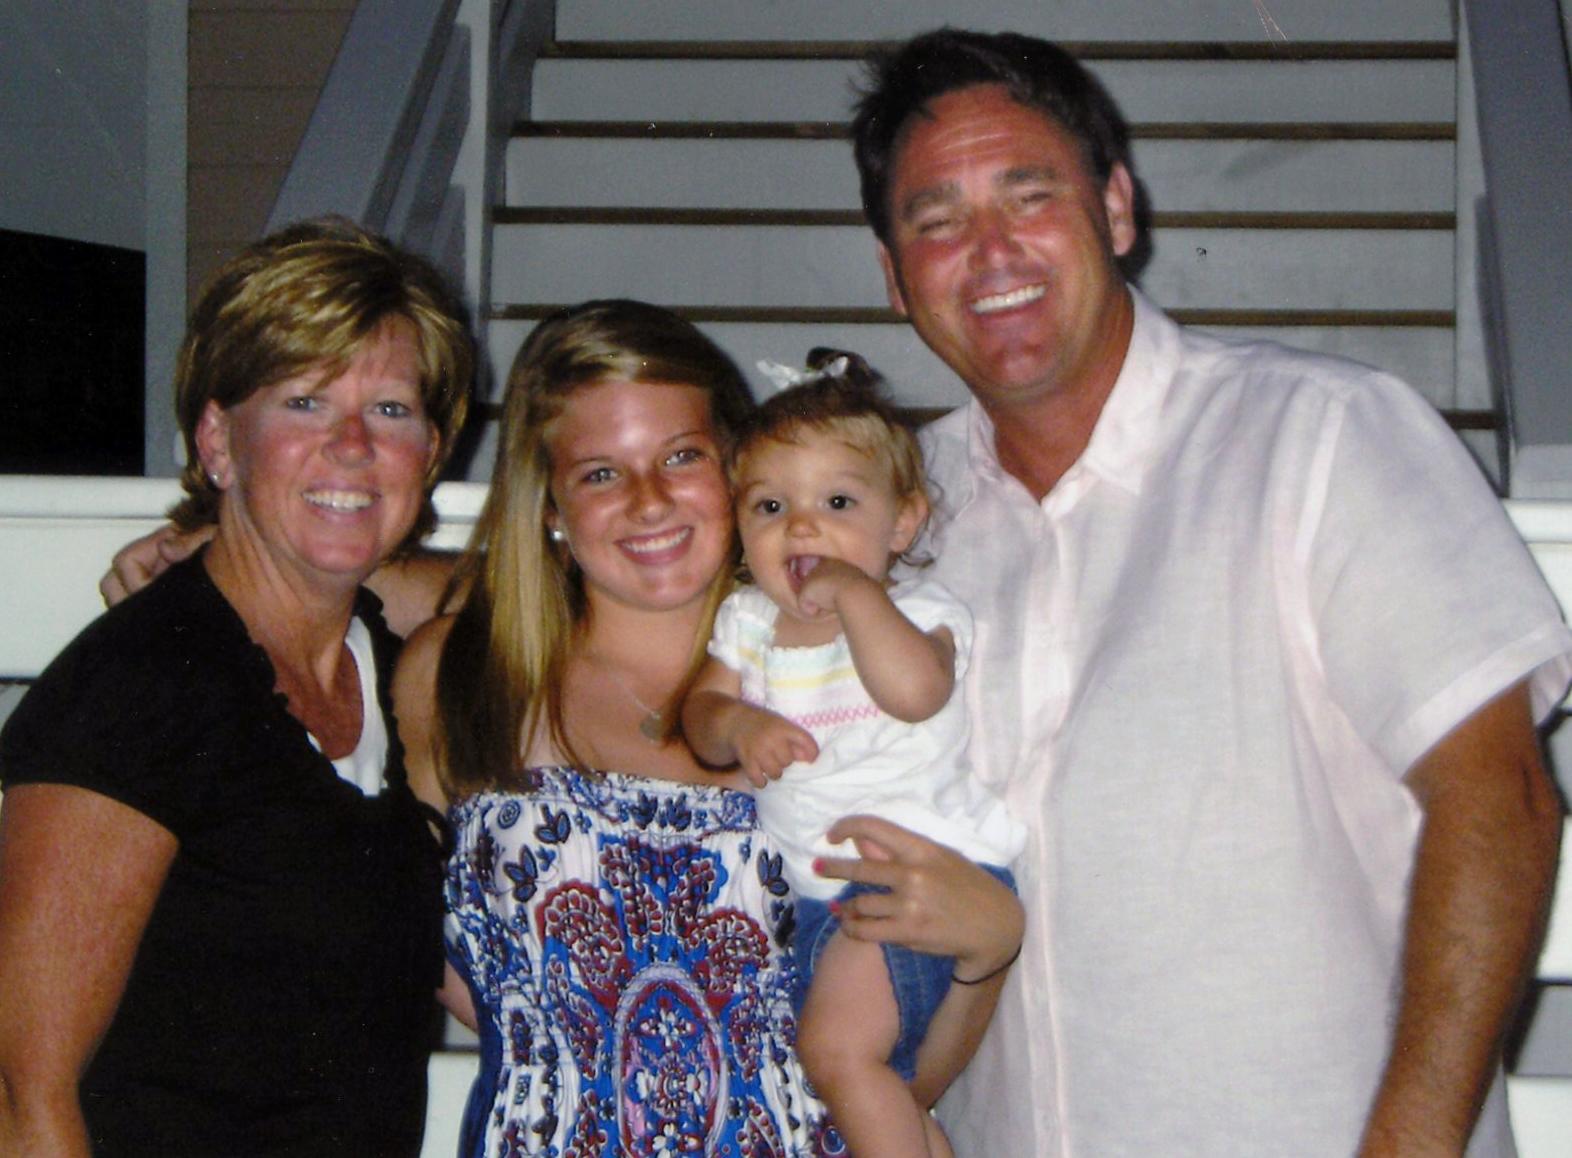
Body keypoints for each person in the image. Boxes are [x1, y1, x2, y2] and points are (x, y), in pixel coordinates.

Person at [850, 27, 1572, 1157]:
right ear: (895, 279)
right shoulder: (888, 518)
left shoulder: (1323, 438)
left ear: (1119, 210)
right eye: (934, 221)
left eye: (1028, 196)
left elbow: (1501, 803)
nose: (989, 252)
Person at [389, 300, 1025, 1156]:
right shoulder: (460, 677)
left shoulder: (854, 693)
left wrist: (989, 954)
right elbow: (410, 953)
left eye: (682, 457)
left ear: (736, 471)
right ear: (550, 503)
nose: (651, 502)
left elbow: (905, 1078)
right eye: (602, 473)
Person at [0, 218, 473, 1156]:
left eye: (390, 411)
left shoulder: (385, 663)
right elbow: (23, 1095)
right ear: (217, 440)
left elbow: (560, 606)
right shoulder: (140, 688)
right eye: (302, 402)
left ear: (431, 452)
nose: (350, 445)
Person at [683, 349, 1025, 1158]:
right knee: (877, 1086)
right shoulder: (747, 624)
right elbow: (698, 718)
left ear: (902, 523)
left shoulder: (921, 612)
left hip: (919, 878)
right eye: (769, 506)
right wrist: (735, 726)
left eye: (837, 501)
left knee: (838, 1057)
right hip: (818, 899)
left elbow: (916, 694)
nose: (801, 527)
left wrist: (857, 595)